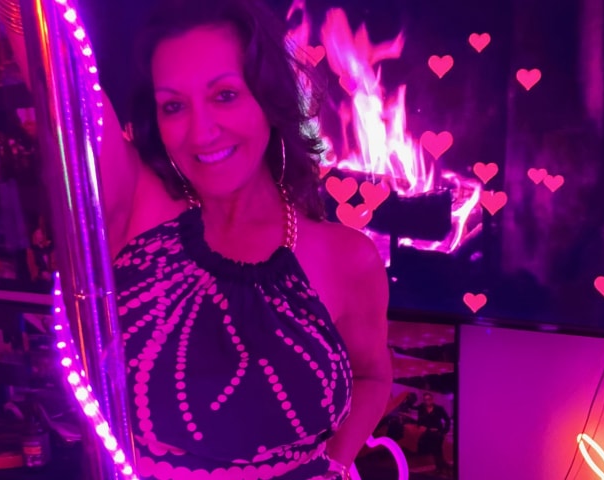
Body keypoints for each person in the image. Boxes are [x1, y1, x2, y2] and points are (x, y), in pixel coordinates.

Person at [98, 0, 392, 478]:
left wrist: (334, 466)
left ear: (268, 98)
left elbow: (372, 376)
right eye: (174, 106)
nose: (201, 132)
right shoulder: (137, 205)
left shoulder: (347, 258)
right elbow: (49, 61)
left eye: (225, 95)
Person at [416, 393, 451, 475]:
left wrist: (444, 431)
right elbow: (419, 420)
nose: (427, 401)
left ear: (432, 399)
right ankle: (443, 464)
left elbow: (447, 420)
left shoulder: (439, 409)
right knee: (435, 450)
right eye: (425, 399)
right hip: (427, 432)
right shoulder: (421, 409)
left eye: (429, 399)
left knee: (437, 449)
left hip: (438, 432)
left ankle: (439, 468)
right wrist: (420, 426)